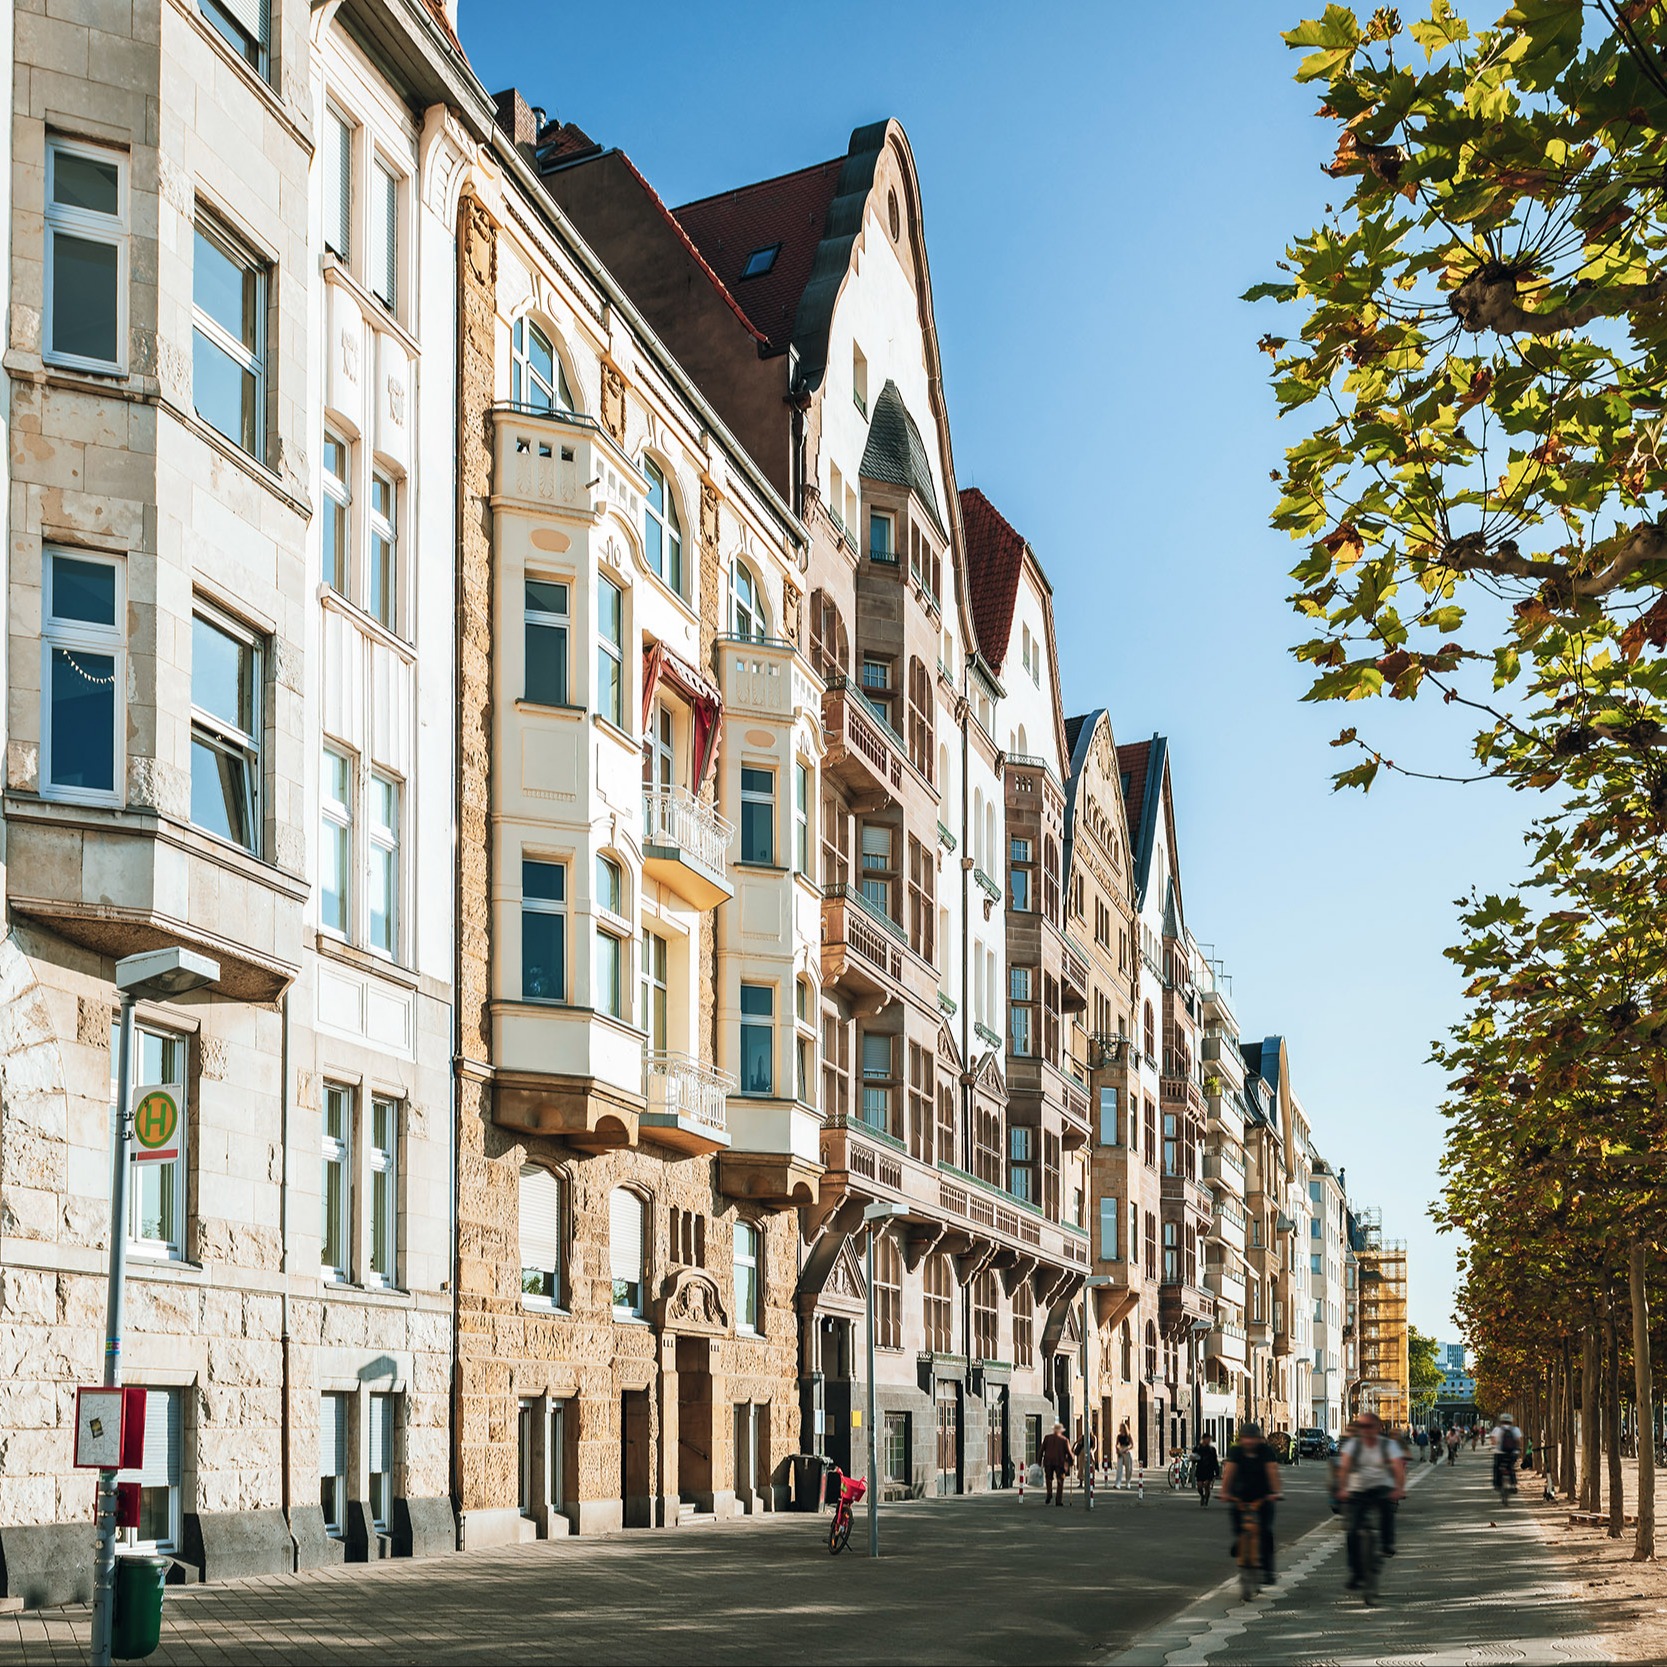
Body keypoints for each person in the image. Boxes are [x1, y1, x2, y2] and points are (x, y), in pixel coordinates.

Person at [1335, 1409, 1406, 1589]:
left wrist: (1399, 1488)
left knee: (1387, 1511)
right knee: (1352, 1531)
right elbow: (1343, 1468)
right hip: (1358, 1489)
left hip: (1381, 1487)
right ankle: (1356, 1574)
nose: (1365, 1430)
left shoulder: (1387, 1445)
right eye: (1362, 1426)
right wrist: (1343, 1488)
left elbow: (1398, 1468)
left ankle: (1387, 1543)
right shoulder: (1354, 1445)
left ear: (1378, 1428)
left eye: (1369, 1426)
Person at [1220, 1420, 1283, 1584]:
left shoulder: (1266, 1452)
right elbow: (1229, 1473)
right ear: (1241, 1439)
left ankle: (1268, 1571)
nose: (1248, 1441)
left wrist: (1276, 1492)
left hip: (1263, 1497)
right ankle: (1240, 1541)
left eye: (1252, 1438)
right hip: (1239, 1496)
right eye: (1245, 1438)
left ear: (1258, 1439)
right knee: (1239, 1528)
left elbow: (1272, 1473)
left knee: (1266, 1532)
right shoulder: (1236, 1452)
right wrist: (1224, 1493)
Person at [1040, 1421, 1073, 1507]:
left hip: (1048, 1462)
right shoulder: (1064, 1440)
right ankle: (1058, 1500)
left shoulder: (1047, 1438)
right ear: (1061, 1431)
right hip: (1060, 1462)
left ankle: (1049, 1493)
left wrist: (1038, 1461)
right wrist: (1072, 1461)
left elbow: (1041, 1450)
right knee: (1060, 1481)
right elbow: (1069, 1453)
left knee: (1049, 1479)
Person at [1489, 1413, 1521, 1498]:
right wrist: (1517, 1449)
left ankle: (1497, 1485)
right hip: (1512, 1453)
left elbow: (1493, 1441)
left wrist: (1494, 1446)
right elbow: (1518, 1441)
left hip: (1500, 1453)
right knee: (1511, 1467)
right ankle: (1513, 1485)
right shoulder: (1515, 1430)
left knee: (1496, 1468)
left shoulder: (1497, 1429)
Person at [1194, 1432, 1221, 1507]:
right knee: (1199, 1486)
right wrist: (1193, 1459)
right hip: (1200, 1469)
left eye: (1209, 1439)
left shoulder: (1212, 1449)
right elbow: (1194, 1457)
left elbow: (1215, 1460)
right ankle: (1202, 1496)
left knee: (1207, 1485)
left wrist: (1217, 1471)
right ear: (1203, 1439)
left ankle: (1206, 1499)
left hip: (1209, 1470)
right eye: (1207, 1439)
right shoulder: (1198, 1448)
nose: (1208, 1441)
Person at [1115, 1421, 1135, 1489]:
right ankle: (1118, 1483)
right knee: (1119, 1468)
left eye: (1122, 1428)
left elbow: (1132, 1445)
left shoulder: (1128, 1436)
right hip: (1121, 1451)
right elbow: (1117, 1444)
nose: (1121, 1429)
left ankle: (1128, 1482)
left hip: (1127, 1452)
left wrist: (1127, 1449)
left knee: (1128, 1468)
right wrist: (1117, 1449)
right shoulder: (1119, 1436)